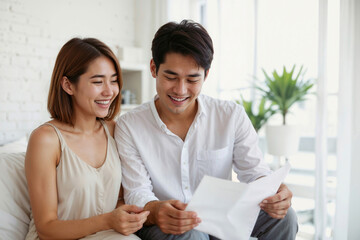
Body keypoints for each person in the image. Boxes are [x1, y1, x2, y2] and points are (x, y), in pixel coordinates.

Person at [115, 20, 298, 240]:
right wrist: (155, 210)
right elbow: (137, 191)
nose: (180, 90)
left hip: (221, 215)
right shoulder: (129, 126)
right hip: (166, 223)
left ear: (206, 74)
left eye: (192, 79)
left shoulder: (230, 116)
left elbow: (255, 173)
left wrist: (276, 193)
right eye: (171, 77)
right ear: (154, 68)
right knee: (191, 234)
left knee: (285, 217)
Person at [25, 38, 149, 240]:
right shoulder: (46, 139)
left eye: (114, 80)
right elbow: (46, 228)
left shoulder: (114, 130)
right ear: (68, 85)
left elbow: (116, 198)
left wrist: (130, 215)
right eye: (98, 82)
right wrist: (108, 221)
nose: (110, 91)